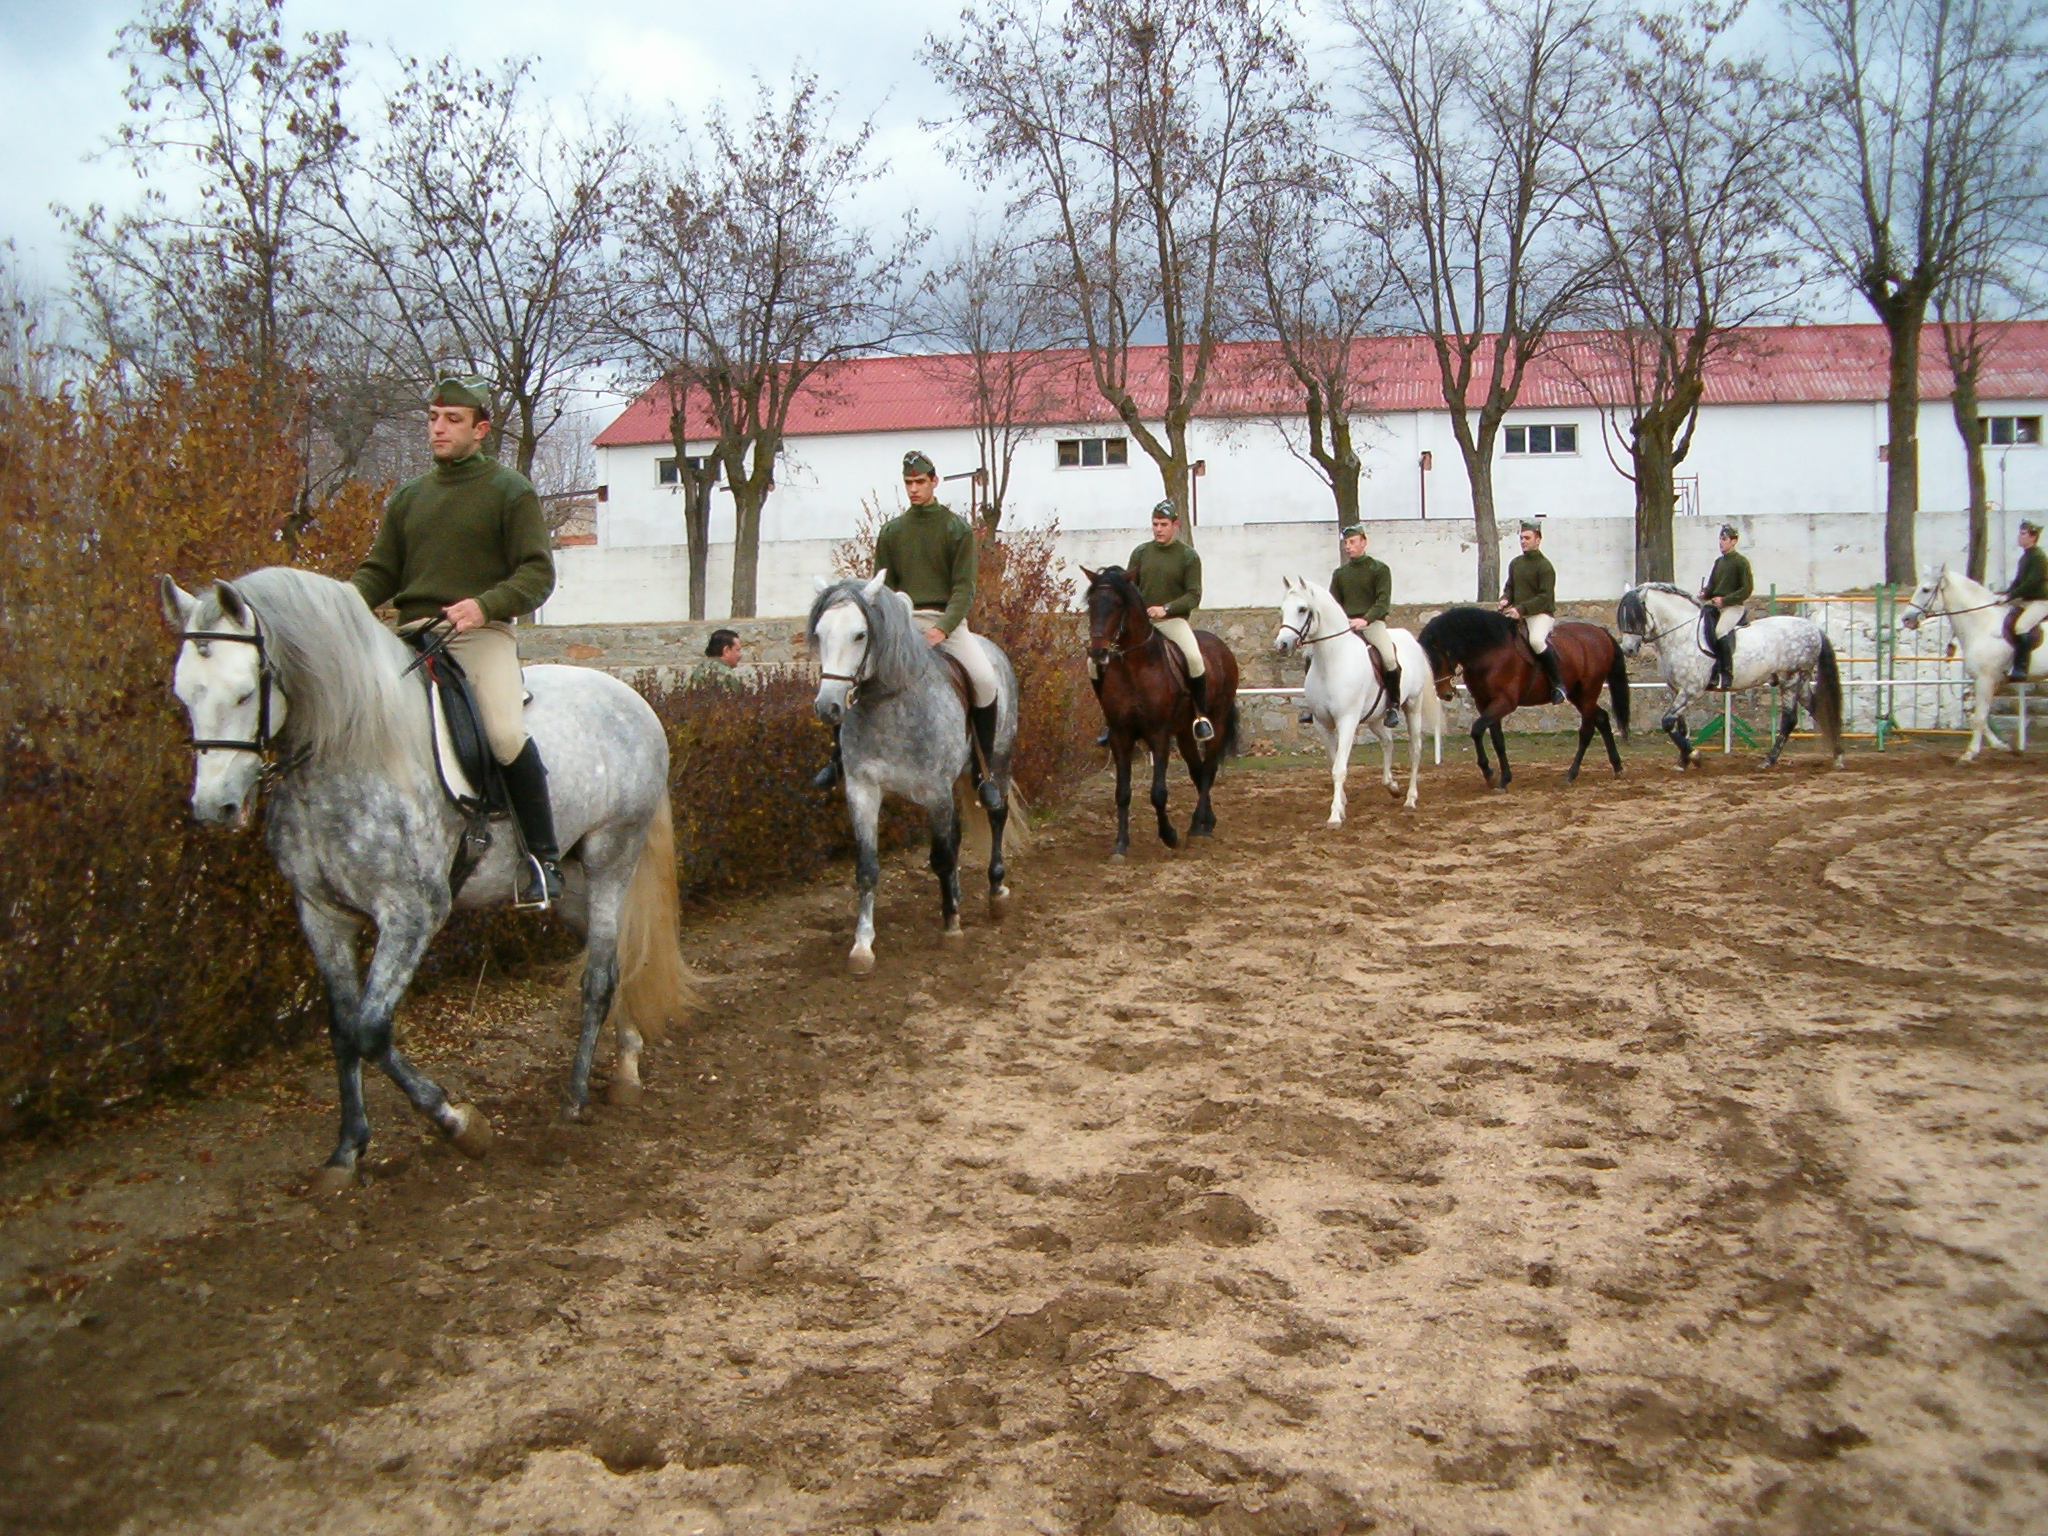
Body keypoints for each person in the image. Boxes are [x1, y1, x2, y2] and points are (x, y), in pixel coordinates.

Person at [351, 375, 561, 904]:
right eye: (432, 418)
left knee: (505, 734)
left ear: (481, 430)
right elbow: (381, 572)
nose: (437, 428)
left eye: (452, 420)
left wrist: (483, 605)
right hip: (410, 635)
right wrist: (337, 604)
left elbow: (537, 575)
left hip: (479, 634)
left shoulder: (510, 491)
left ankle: (543, 858)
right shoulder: (408, 497)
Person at [814, 451, 1002, 807]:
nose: (914, 489)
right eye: (908, 483)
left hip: (947, 623)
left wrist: (942, 630)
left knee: (984, 680)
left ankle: (983, 771)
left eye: (920, 482)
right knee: (850, 672)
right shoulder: (892, 531)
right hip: (901, 623)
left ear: (934, 481)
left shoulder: (956, 529)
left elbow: (964, 588)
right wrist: (892, 627)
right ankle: (838, 758)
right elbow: (880, 589)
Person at [1103, 499, 1213, 742]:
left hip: (1172, 621)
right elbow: (1130, 586)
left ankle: (1200, 716)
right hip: (1141, 623)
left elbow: (1194, 595)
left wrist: (1166, 608)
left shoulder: (1188, 557)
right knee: (1103, 660)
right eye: (1155, 524)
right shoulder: (1141, 552)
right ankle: (1110, 721)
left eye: (1163, 524)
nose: (1158, 529)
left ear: (1175, 525)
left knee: (1194, 659)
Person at [1329, 523, 1402, 728]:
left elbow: (1382, 602)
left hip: (1371, 623)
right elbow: (1335, 604)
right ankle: (1316, 706)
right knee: (1313, 655)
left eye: (1352, 542)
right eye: (1346, 543)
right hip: (1346, 625)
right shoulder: (1340, 574)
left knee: (1388, 657)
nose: (1348, 547)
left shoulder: (1379, 569)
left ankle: (1393, 705)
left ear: (1364, 542)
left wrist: (1365, 620)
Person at [1499, 519, 1565, 704]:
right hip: (1517, 613)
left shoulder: (1545, 567)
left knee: (1536, 641)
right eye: (1521, 538)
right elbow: (1510, 587)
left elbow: (1544, 597)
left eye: (1527, 538)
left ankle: (1558, 684)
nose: (1523, 541)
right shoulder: (1515, 563)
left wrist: (1521, 608)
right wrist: (1505, 599)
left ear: (1538, 539)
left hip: (1540, 614)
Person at [1698, 523, 1754, 691]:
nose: (1721, 543)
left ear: (1733, 541)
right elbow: (1712, 585)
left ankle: (1726, 674)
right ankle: (1711, 671)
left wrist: (1725, 600)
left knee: (1720, 631)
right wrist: (1705, 593)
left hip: (1733, 607)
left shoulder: (1741, 562)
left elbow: (1746, 589)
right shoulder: (1718, 562)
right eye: (1720, 539)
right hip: (1716, 606)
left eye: (1724, 539)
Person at [2004, 520, 2048, 681]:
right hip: (2027, 600)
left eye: (2023, 534)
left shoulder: (2038, 557)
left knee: (2022, 626)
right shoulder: (2025, 557)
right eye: (2020, 533)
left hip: (2040, 601)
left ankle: (2021, 668)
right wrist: (2005, 594)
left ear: (2033, 537)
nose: (2019, 537)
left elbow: (2031, 583)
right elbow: (2017, 581)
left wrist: (2012, 595)